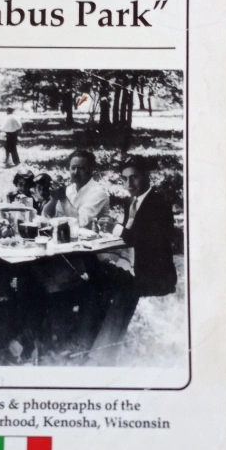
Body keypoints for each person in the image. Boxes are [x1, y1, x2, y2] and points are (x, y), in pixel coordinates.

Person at [86, 155, 177, 365]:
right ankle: (82, 343)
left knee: (125, 291)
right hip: (134, 267)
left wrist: (117, 228)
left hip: (155, 274)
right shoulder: (132, 202)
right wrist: (110, 235)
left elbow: (151, 242)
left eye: (134, 177)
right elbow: (130, 237)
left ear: (147, 176)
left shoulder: (159, 203)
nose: (129, 184)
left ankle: (101, 357)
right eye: (124, 179)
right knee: (93, 283)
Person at [42, 149, 109, 227]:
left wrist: (63, 198)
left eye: (81, 168)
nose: (76, 172)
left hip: (97, 237)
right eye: (73, 168)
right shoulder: (69, 189)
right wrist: (54, 199)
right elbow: (47, 216)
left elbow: (80, 223)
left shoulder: (99, 193)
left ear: (91, 169)